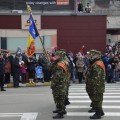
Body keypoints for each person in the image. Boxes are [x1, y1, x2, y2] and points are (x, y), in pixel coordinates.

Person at [85, 50, 105, 119]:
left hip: (96, 85)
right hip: (95, 85)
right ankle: (100, 112)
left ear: (96, 55)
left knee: (97, 99)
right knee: (97, 99)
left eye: (92, 55)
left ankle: (98, 114)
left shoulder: (97, 64)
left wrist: (92, 86)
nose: (90, 56)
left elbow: (97, 77)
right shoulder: (95, 62)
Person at [51, 51, 68, 119]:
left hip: (59, 84)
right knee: (60, 98)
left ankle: (60, 113)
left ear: (60, 56)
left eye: (57, 55)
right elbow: (51, 69)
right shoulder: (59, 62)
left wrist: (53, 84)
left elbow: (57, 76)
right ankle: (62, 110)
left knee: (59, 98)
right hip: (61, 83)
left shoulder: (60, 64)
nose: (55, 56)